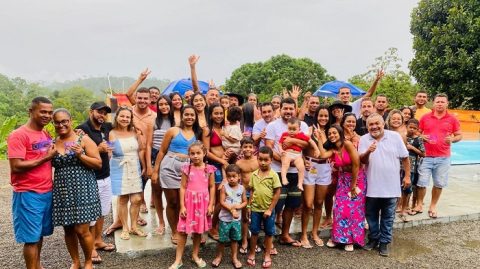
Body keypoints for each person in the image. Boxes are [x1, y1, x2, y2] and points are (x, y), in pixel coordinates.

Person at [8, 97, 56, 269]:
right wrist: (45, 158)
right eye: (43, 111)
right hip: (28, 193)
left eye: (50, 112)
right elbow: (16, 166)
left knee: (40, 235)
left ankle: (37, 265)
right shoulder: (18, 135)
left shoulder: (45, 134)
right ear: (31, 111)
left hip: (46, 192)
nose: (47, 115)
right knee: (30, 239)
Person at [51, 108, 102, 269]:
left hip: (83, 190)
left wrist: (81, 155)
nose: (61, 125)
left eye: (64, 121)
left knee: (82, 230)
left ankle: (88, 261)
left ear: (70, 120)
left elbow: (98, 163)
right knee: (68, 229)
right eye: (57, 122)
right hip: (63, 190)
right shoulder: (53, 142)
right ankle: (75, 261)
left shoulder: (83, 139)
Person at [151, 105, 207, 245]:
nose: (189, 117)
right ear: (181, 116)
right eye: (186, 114)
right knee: (173, 202)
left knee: (190, 202)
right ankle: (175, 230)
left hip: (189, 168)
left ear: (195, 117)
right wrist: (155, 171)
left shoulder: (198, 132)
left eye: (192, 115)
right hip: (170, 166)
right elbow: (162, 151)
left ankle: (195, 230)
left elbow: (202, 152)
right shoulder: (173, 130)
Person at [359, 113, 411, 256]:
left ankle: (385, 242)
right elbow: (362, 161)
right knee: (371, 216)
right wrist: (368, 151)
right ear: (367, 126)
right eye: (371, 124)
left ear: (383, 124)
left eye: (377, 123)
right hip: (371, 187)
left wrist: (407, 176)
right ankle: (374, 238)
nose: (374, 126)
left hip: (391, 186)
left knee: (388, 217)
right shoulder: (364, 139)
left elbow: (405, 158)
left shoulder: (394, 137)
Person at [265, 97, 308, 247]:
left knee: (291, 204)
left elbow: (306, 143)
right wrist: (284, 159)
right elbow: (269, 147)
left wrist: (293, 143)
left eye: (291, 108)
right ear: (280, 109)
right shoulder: (272, 126)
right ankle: (268, 239)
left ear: (295, 109)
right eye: (285, 108)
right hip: (277, 170)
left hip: (296, 172)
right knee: (274, 205)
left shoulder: (302, 125)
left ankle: (285, 235)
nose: (288, 111)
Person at [76, 102, 116, 262]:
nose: (102, 115)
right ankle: (90, 246)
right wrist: (96, 150)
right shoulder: (82, 129)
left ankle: (98, 240)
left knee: (102, 212)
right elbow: (72, 149)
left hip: (106, 176)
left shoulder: (106, 127)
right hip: (91, 177)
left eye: (105, 113)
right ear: (91, 111)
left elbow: (124, 123)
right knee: (91, 214)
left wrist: (110, 148)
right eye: (99, 112)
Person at [316, 125, 365, 252]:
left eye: (334, 133)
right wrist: (320, 139)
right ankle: (337, 238)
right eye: (330, 133)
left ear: (340, 133)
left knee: (353, 210)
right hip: (342, 179)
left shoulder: (347, 144)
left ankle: (351, 239)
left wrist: (353, 185)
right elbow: (322, 155)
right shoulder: (333, 150)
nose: (332, 135)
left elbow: (356, 165)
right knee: (339, 208)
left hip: (356, 179)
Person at [413, 93, 462, 218]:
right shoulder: (425, 117)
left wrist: (452, 139)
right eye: (438, 102)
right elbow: (417, 131)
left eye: (442, 102)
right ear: (433, 103)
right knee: (421, 182)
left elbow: (459, 135)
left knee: (439, 183)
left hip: (443, 157)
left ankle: (433, 206)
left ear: (447, 104)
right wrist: (421, 136)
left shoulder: (452, 119)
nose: (440, 104)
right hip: (426, 155)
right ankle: (419, 204)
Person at [169, 141, 216, 269]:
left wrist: (211, 204)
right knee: (182, 231)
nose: (195, 156)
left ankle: (195, 255)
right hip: (189, 204)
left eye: (198, 153)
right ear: (189, 155)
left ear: (204, 153)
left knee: (198, 231)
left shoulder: (209, 169)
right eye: (192, 153)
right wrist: (182, 206)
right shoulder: (187, 168)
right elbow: (183, 187)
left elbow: (212, 187)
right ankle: (178, 259)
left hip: (202, 204)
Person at [109, 107, 147, 240]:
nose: (124, 119)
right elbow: (110, 151)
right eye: (122, 116)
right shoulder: (112, 133)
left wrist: (143, 165)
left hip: (134, 165)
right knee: (123, 198)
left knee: (136, 199)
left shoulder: (134, 132)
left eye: (127, 117)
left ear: (131, 119)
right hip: (119, 167)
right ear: (117, 117)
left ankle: (134, 226)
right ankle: (125, 227)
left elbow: (142, 148)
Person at [299, 105, 332, 247]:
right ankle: (303, 234)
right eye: (321, 115)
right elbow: (299, 147)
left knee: (319, 203)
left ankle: (314, 232)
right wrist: (302, 159)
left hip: (325, 168)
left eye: (326, 116)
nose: (323, 118)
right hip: (310, 167)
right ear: (316, 116)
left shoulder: (332, 132)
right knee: (307, 203)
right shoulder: (309, 129)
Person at [246, 146, 281, 268]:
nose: (263, 162)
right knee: (254, 232)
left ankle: (267, 255)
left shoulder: (274, 175)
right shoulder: (254, 174)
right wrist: (249, 206)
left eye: (266, 160)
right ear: (257, 158)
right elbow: (252, 191)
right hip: (255, 209)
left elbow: (277, 193)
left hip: (268, 210)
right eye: (260, 159)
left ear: (271, 160)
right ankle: (251, 253)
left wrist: (270, 209)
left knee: (269, 233)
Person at [211, 164, 247, 268]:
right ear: (226, 177)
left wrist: (239, 206)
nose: (231, 179)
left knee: (234, 240)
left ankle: (234, 258)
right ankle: (219, 256)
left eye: (234, 176)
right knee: (222, 240)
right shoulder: (224, 188)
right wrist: (231, 209)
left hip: (236, 220)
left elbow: (245, 201)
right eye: (229, 176)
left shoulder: (242, 188)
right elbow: (222, 202)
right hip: (224, 219)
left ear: (239, 176)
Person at [150, 95, 175, 235]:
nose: (164, 106)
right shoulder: (154, 121)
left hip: (172, 158)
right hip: (156, 157)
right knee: (157, 191)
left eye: (167, 104)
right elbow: (149, 143)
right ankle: (161, 221)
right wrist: (150, 166)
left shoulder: (177, 121)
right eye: (161, 104)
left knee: (172, 195)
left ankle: (174, 224)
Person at [279, 118, 319, 191]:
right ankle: (284, 178)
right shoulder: (284, 134)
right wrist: (281, 150)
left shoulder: (301, 135)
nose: (291, 131)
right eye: (289, 129)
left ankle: (300, 184)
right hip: (288, 153)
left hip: (297, 155)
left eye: (294, 129)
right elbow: (280, 144)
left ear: (299, 129)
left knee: (301, 168)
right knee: (285, 164)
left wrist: (316, 149)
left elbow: (310, 141)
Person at [403, 119, 425, 220]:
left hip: (412, 168)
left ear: (417, 129)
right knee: (400, 186)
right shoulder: (403, 137)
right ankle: (401, 206)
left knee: (409, 187)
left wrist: (412, 148)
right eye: (410, 127)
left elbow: (423, 153)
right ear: (406, 126)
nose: (412, 130)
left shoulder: (418, 139)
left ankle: (409, 205)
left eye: (414, 128)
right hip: (400, 166)